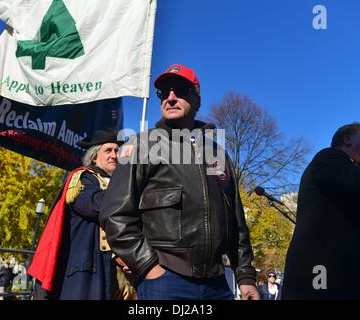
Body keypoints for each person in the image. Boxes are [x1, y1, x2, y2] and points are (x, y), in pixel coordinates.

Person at [100, 64, 259, 300]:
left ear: (197, 100)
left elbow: (236, 223)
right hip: (164, 282)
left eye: (180, 90)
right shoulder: (142, 145)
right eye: (164, 93)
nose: (171, 98)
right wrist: (148, 266)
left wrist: (245, 277)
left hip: (218, 284)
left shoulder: (217, 153)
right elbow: (115, 214)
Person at [282, 122, 360, 299]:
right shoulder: (328, 159)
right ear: (348, 140)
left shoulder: (358, 190)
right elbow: (354, 180)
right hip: (320, 279)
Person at [28, 129, 135, 300]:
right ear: (94, 156)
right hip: (88, 267)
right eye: (108, 150)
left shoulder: (119, 182)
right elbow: (97, 205)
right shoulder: (82, 177)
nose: (114, 155)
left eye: (117, 151)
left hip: (121, 272)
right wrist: (131, 188)